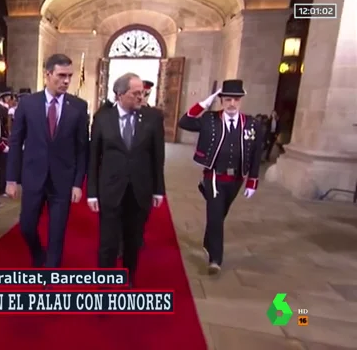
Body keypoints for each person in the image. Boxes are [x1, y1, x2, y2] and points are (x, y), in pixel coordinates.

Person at [6, 53, 89, 268]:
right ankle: (37, 253)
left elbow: (82, 148)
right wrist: (11, 179)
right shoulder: (28, 104)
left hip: (63, 179)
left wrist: (77, 183)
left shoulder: (79, 106)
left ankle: (51, 272)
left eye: (69, 76)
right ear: (47, 74)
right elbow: (16, 142)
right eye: (61, 75)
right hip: (33, 176)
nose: (67, 81)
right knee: (26, 226)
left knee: (57, 231)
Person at [87, 73, 166, 287]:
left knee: (133, 240)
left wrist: (159, 190)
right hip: (111, 190)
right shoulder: (102, 118)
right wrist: (92, 192)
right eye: (136, 93)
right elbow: (93, 157)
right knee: (108, 242)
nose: (142, 97)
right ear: (120, 95)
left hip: (140, 189)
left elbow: (159, 157)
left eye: (143, 93)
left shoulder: (153, 118)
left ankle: (129, 275)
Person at [178, 79, 263, 275]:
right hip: (214, 177)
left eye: (236, 100)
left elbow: (256, 153)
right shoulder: (210, 119)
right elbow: (184, 122)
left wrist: (252, 180)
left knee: (219, 215)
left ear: (241, 101)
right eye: (227, 99)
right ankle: (215, 259)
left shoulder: (251, 123)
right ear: (221, 100)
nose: (232, 104)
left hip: (236, 179)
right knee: (215, 216)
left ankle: (209, 242)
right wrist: (205, 102)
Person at [0, 87, 13, 197]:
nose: (9, 99)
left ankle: (4, 187)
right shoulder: (0, 108)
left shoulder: (6, 108)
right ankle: (2, 189)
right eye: (6, 97)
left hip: (6, 139)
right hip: (2, 139)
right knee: (3, 167)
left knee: (6, 166)